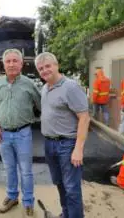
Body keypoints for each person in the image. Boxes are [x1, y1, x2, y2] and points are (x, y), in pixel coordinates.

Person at [35, 52, 90, 218]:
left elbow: (84, 117)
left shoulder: (70, 87)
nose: (45, 70)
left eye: (48, 66)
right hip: (50, 144)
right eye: (41, 68)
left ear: (57, 65)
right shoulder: (45, 88)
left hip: (67, 145)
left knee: (72, 188)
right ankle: (66, 214)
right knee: (59, 183)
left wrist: (78, 149)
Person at [0, 48, 41, 216]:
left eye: (15, 61)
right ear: (3, 64)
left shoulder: (29, 84)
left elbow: (41, 104)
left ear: (21, 63)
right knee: (9, 168)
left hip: (23, 134)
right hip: (4, 135)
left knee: (26, 170)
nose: (11, 64)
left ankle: (28, 202)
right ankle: (12, 197)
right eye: (8, 61)